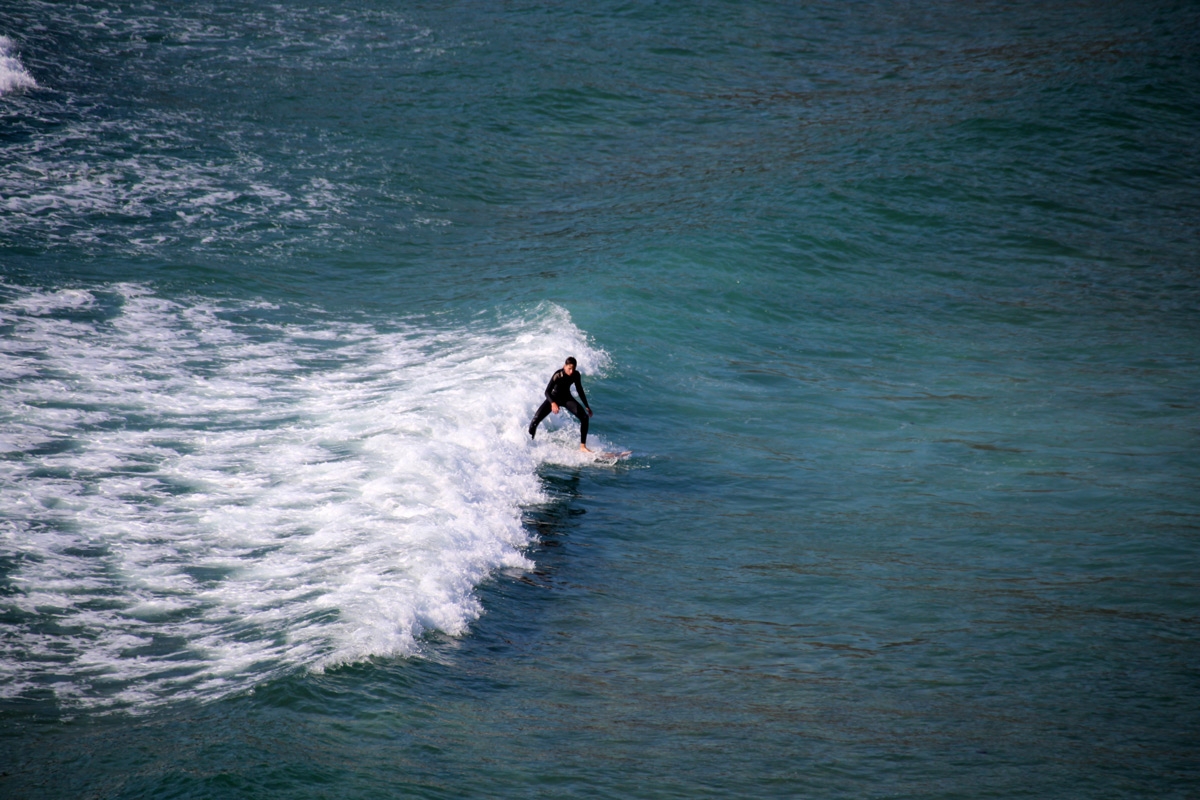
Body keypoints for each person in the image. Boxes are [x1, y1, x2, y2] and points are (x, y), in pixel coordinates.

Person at [528, 356, 593, 451]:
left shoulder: (576, 375)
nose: (571, 371)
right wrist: (553, 403)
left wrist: (587, 406)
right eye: (569, 368)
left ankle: (582, 447)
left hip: (567, 398)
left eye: (573, 369)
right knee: (535, 421)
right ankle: (530, 445)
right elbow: (547, 392)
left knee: (584, 417)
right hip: (554, 397)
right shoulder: (558, 375)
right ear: (564, 366)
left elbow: (580, 390)